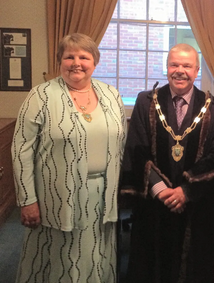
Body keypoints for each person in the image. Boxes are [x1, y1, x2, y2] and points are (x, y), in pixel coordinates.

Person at [12, 33, 126, 282]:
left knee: (96, 253)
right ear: (59, 61)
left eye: (83, 57)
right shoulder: (40, 95)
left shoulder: (111, 95)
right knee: (59, 257)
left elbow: (122, 144)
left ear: (94, 63)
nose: (76, 62)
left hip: (102, 195)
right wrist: (27, 200)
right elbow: (21, 150)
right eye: (69, 56)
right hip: (55, 195)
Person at [120, 43, 214, 282]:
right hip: (154, 203)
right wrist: (161, 190)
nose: (179, 70)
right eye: (174, 64)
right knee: (152, 267)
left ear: (197, 70)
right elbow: (137, 150)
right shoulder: (146, 102)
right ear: (166, 67)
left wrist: (186, 191)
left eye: (187, 65)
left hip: (196, 205)